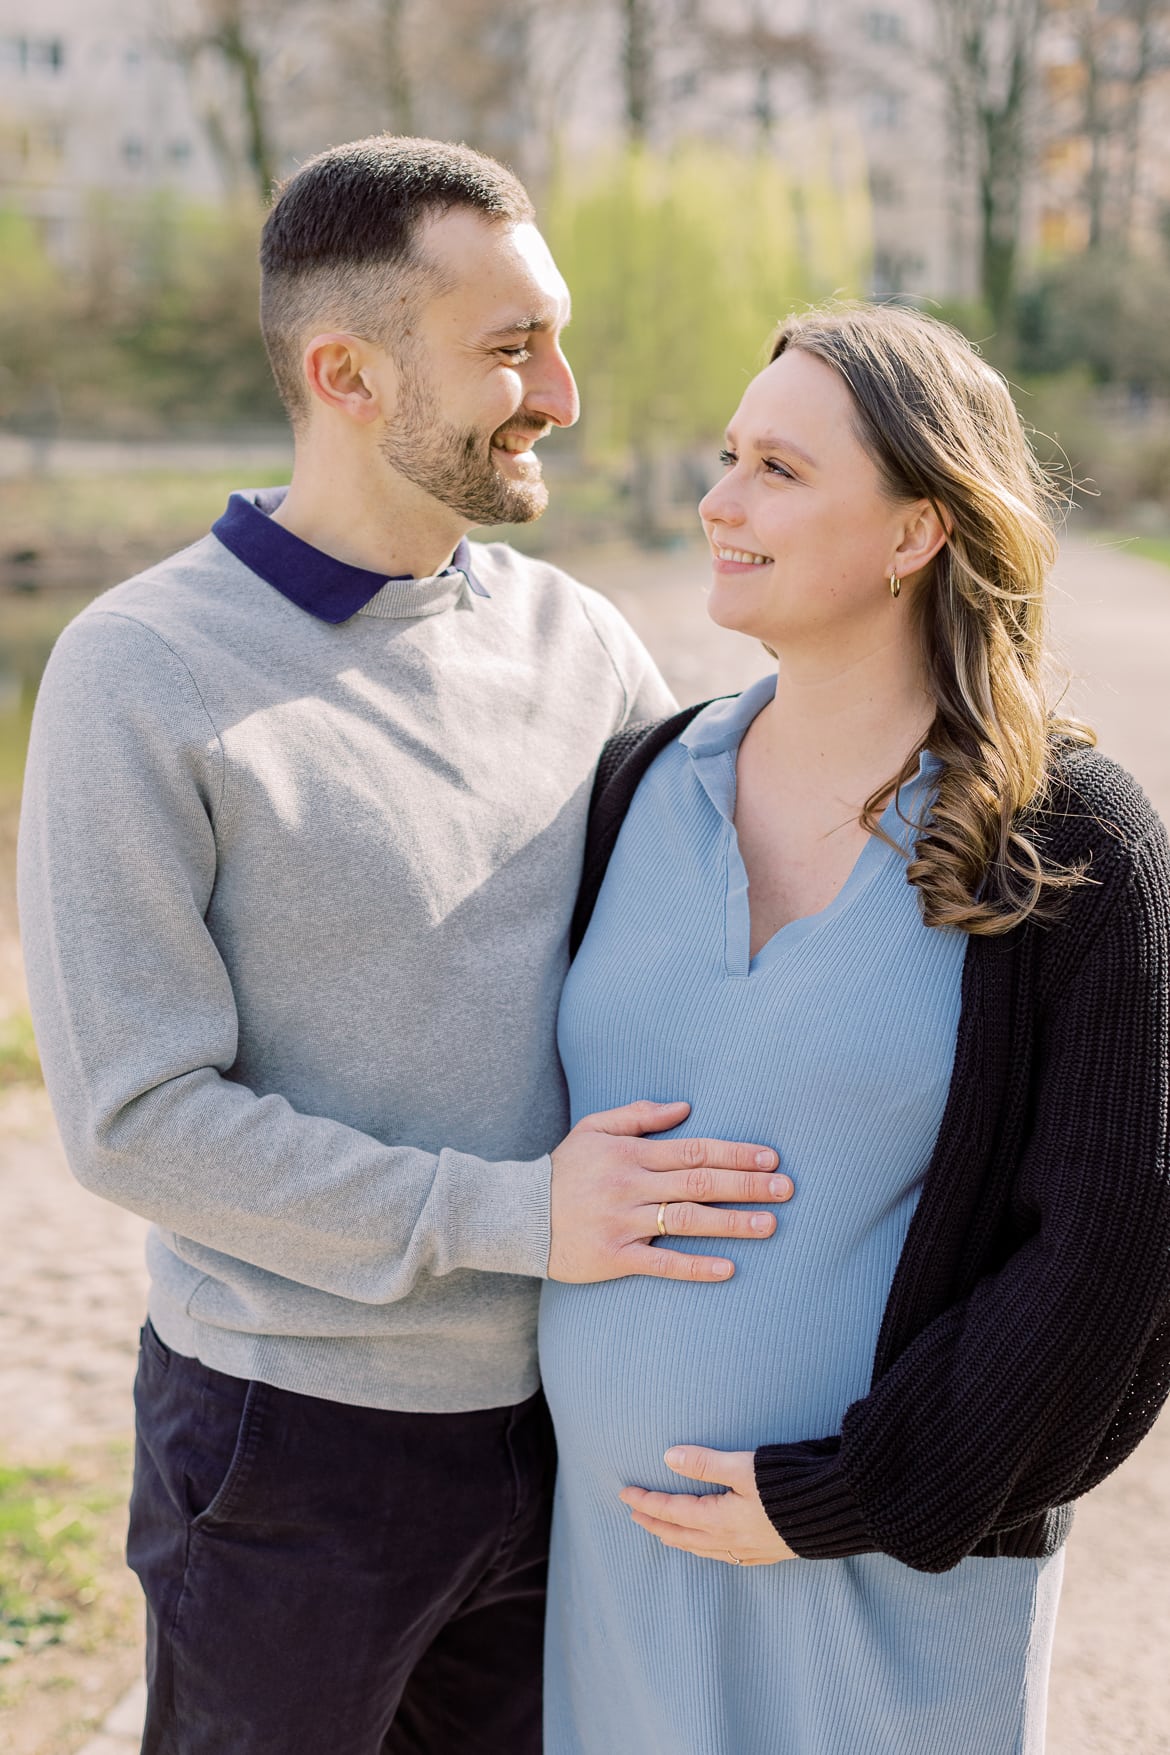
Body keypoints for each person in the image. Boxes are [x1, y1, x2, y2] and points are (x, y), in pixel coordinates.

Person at [16, 136, 795, 1755]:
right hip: (295, 1449)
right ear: (345, 372)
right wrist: (512, 1214)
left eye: (554, 337)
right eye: (512, 350)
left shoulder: (576, 635)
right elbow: (134, 1116)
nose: (562, 394)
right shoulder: (137, 673)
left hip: (577, 1413)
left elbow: (722, 927)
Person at [539, 303, 1170, 1754]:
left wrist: (854, 1495)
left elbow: (1114, 1257)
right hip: (616, 1579)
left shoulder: (1067, 841)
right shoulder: (638, 784)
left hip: (880, 1598)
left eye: (778, 468)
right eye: (727, 455)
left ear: (915, 532)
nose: (718, 500)